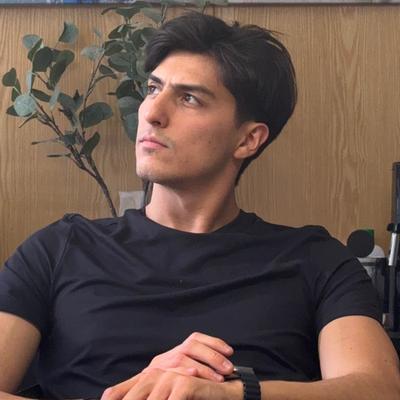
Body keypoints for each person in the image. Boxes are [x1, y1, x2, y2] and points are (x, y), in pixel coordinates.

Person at [0, 11, 399, 400]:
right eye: (153, 89)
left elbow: (378, 389)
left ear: (248, 140)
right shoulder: (61, 248)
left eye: (189, 98)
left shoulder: (315, 261)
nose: (151, 113)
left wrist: (229, 394)